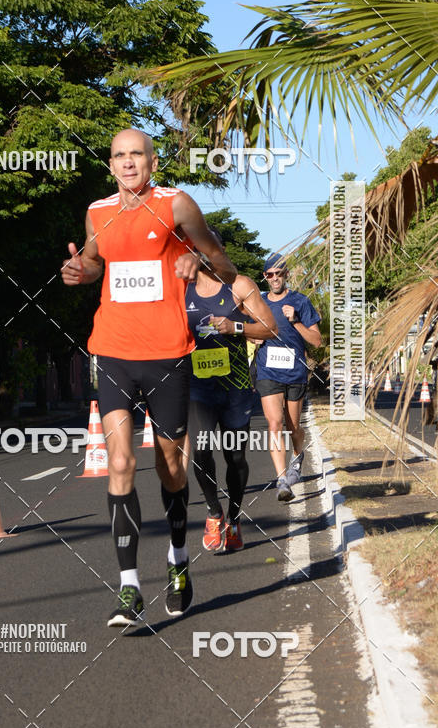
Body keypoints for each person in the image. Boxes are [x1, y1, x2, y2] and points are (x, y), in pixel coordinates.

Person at [61, 128, 238, 627]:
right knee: (119, 461)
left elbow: (224, 262)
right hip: (113, 351)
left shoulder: (177, 204)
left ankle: (179, 561)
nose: (128, 163)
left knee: (170, 468)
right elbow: (95, 264)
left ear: (152, 162)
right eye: (119, 156)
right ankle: (129, 588)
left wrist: (196, 259)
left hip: (167, 354)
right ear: (111, 164)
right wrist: (80, 272)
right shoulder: (98, 212)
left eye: (136, 154)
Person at [185, 231, 277, 553]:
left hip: (236, 386)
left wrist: (234, 326)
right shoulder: (181, 289)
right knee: (199, 449)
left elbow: (270, 328)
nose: (206, 255)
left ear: (221, 251)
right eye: (199, 249)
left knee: (235, 457)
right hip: (198, 385)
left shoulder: (240, 285)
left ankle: (235, 519)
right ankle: (214, 512)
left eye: (213, 249)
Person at [254, 254, 322, 502]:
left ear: (286, 274)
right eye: (269, 274)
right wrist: (253, 338)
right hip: (268, 371)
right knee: (275, 423)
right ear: (265, 277)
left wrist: (295, 322)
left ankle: (298, 454)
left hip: (295, 372)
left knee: (294, 428)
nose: (274, 278)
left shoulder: (300, 302)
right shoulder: (258, 303)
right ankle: (282, 478)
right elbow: (249, 333)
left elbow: (316, 340)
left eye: (279, 273)